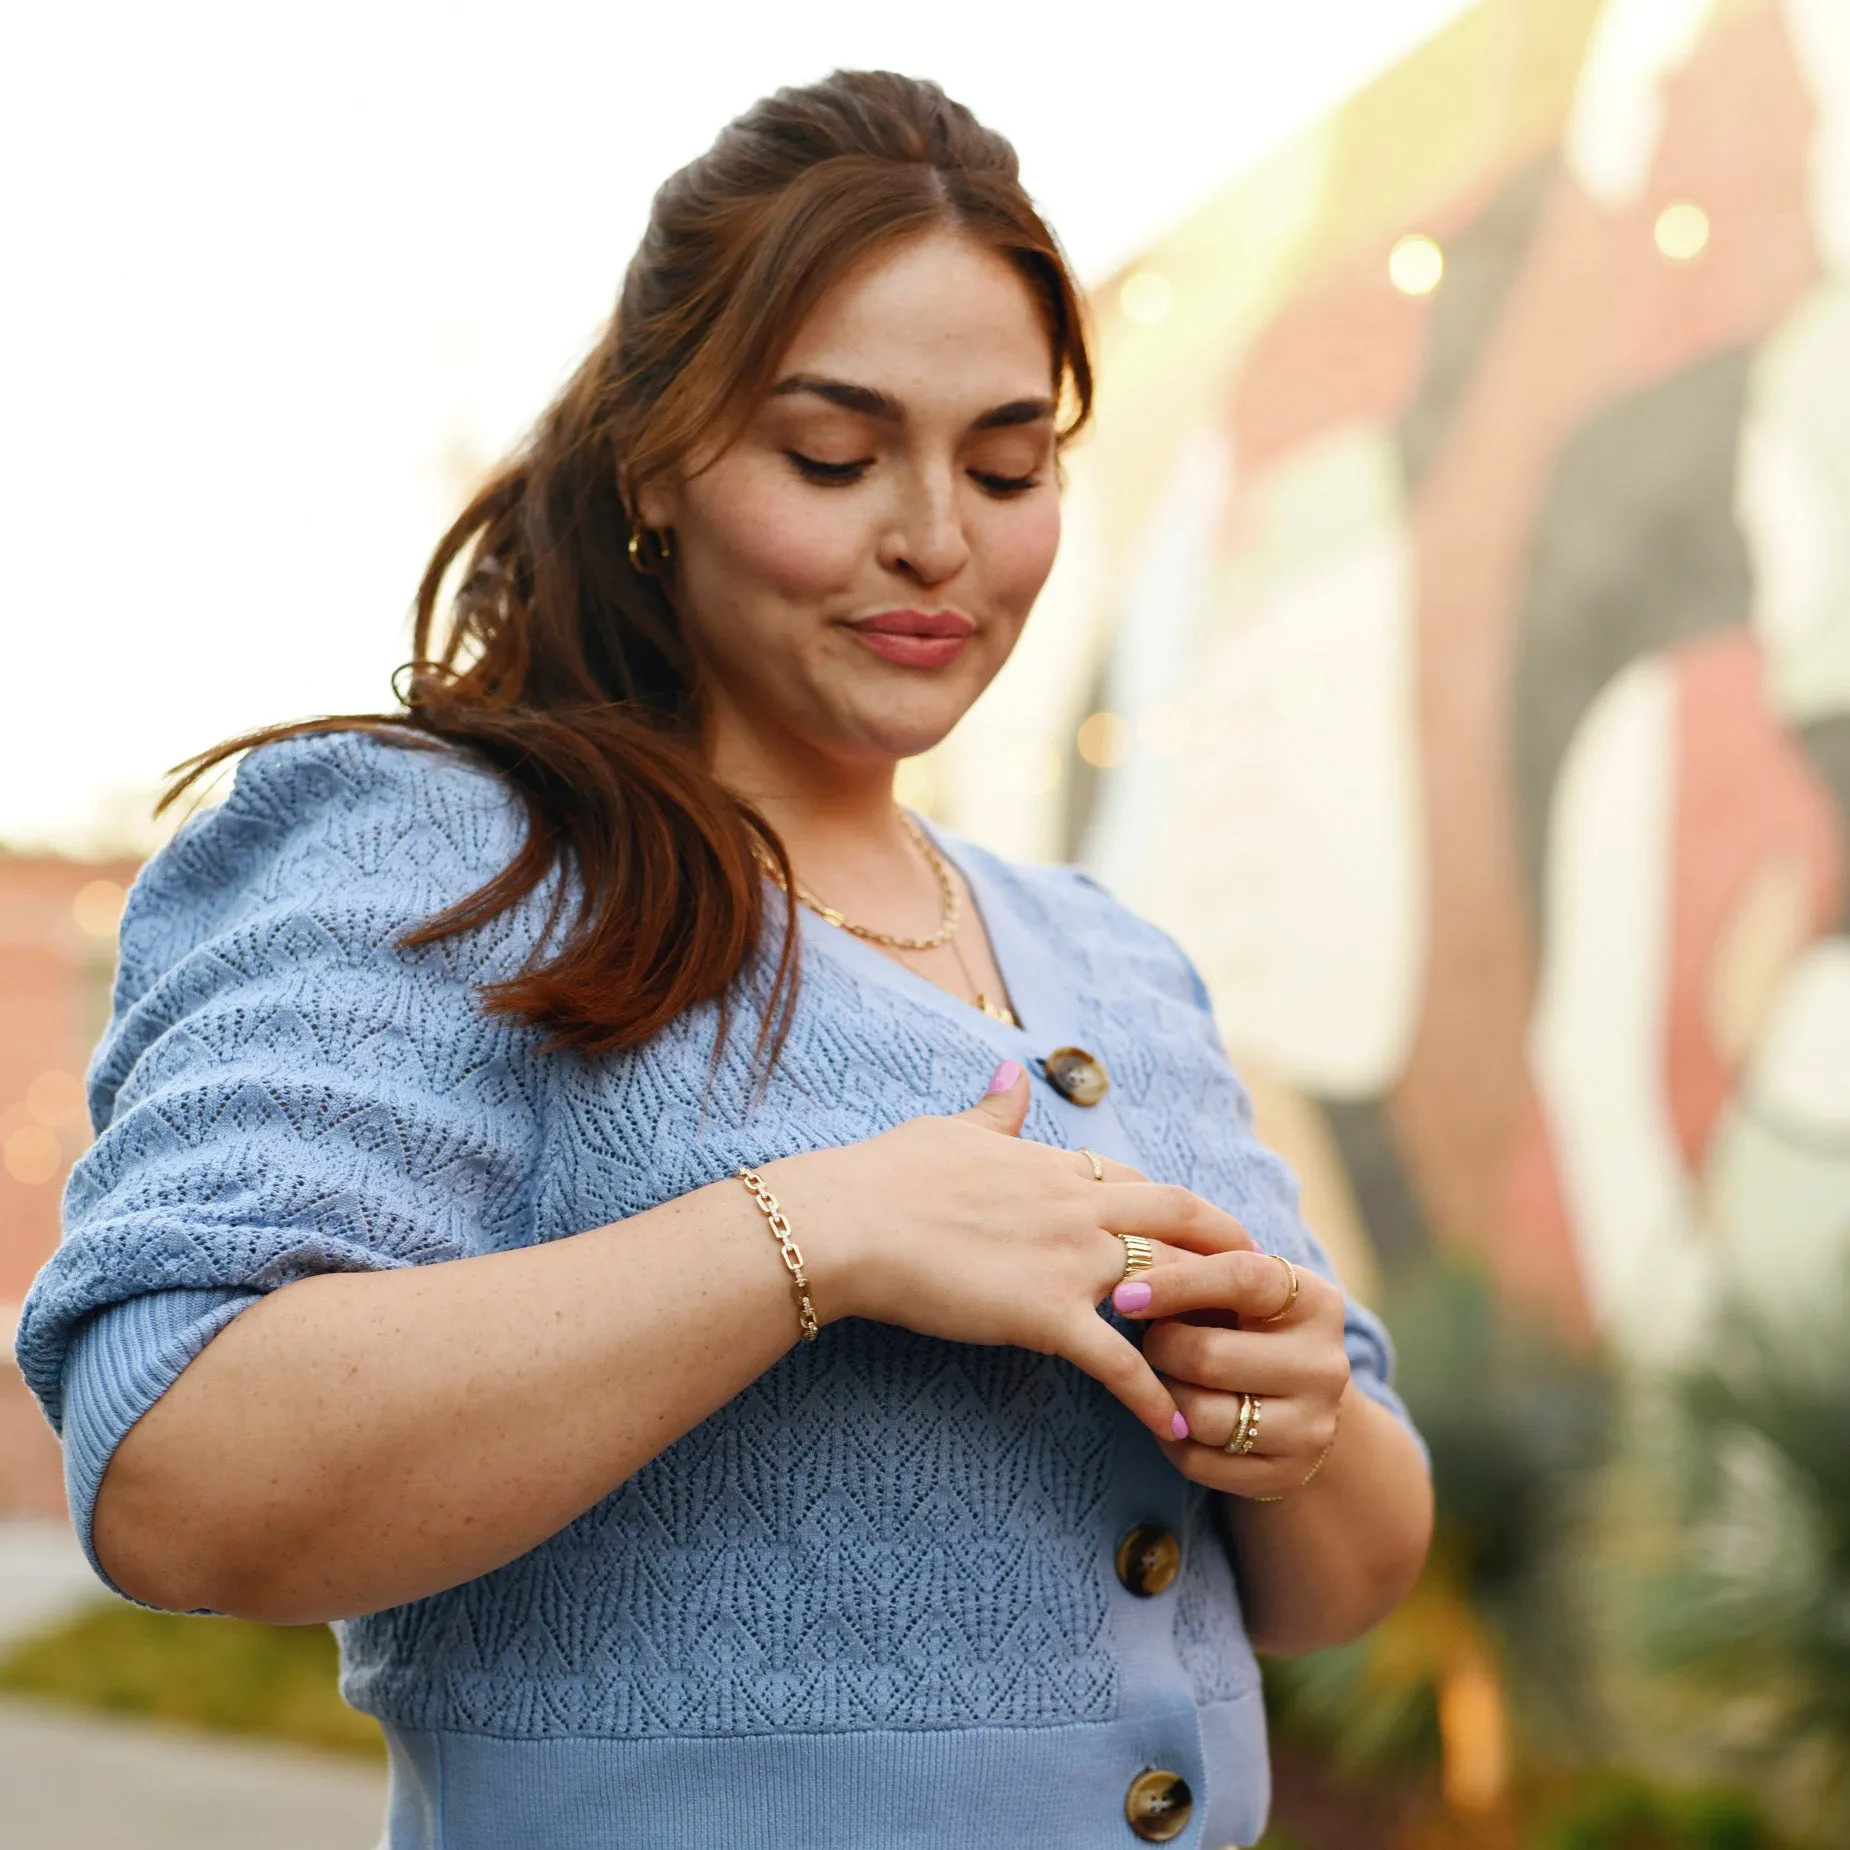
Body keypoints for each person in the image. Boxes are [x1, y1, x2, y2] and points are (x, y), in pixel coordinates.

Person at [16, 71, 1432, 1849]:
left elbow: (1334, 1584)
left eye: (1006, 464)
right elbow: (175, 1474)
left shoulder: (1112, 953)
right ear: (658, 462)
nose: (935, 535)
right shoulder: (443, 845)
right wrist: (815, 1234)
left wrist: (1296, 1416)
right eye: (833, 454)